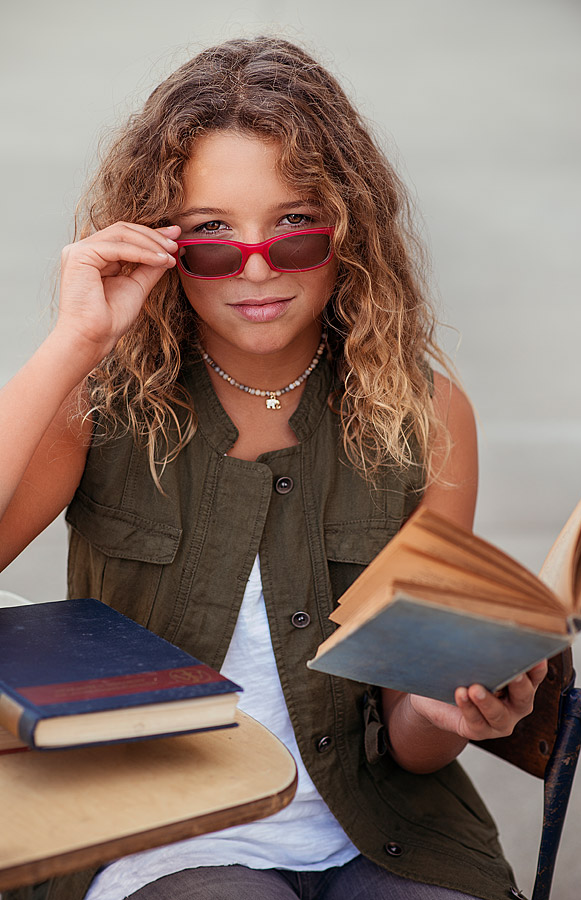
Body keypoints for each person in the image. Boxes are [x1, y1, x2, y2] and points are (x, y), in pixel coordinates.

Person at [0, 36, 546, 900]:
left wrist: (447, 712)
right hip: (159, 838)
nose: (255, 268)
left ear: (349, 229)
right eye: (209, 236)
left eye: (294, 227)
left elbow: (408, 737)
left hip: (379, 831)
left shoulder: (426, 415)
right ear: (157, 246)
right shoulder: (101, 402)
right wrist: (74, 343)